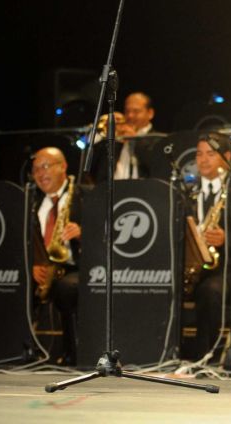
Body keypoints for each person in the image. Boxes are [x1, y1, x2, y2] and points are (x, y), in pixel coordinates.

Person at [183, 132, 231, 361]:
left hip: (228, 270)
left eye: (210, 154)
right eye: (199, 154)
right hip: (192, 267)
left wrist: (226, 239)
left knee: (210, 291)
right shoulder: (187, 192)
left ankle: (206, 356)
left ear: (227, 157)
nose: (203, 159)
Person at [29, 147, 82, 365]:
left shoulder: (84, 196)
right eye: (35, 170)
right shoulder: (30, 201)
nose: (40, 174)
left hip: (75, 266)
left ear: (63, 167)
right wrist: (32, 265)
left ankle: (72, 355)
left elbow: (106, 233)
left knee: (67, 289)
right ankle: (24, 352)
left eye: (46, 166)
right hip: (41, 267)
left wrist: (82, 232)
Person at [92, 92, 161, 182]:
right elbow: (91, 164)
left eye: (136, 111)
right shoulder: (118, 137)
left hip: (141, 189)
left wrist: (134, 140)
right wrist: (106, 135)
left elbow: (155, 165)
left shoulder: (159, 139)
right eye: (127, 111)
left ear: (150, 113)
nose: (130, 115)